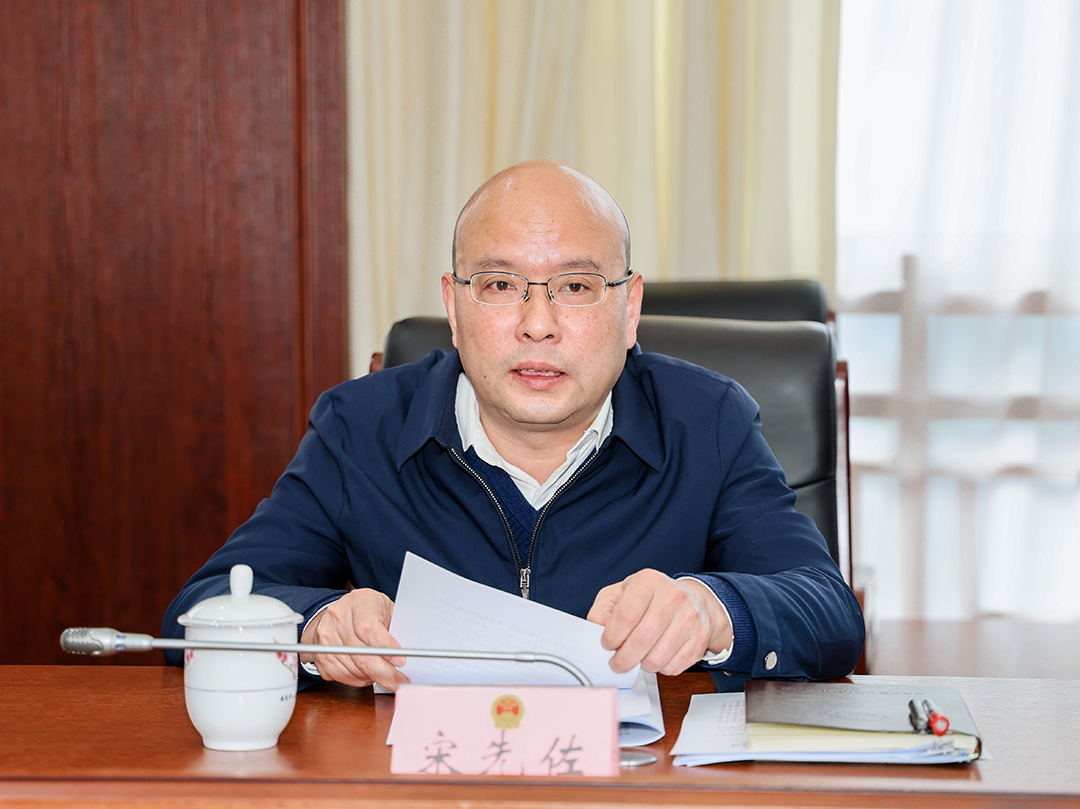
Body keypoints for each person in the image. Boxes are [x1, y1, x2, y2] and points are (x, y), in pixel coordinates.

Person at [163, 161, 864, 692]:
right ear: (454, 306)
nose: (537, 324)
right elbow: (199, 610)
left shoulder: (708, 420)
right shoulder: (360, 427)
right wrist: (319, 625)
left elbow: (828, 612)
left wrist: (713, 609)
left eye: (576, 287)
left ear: (629, 309)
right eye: (500, 285)